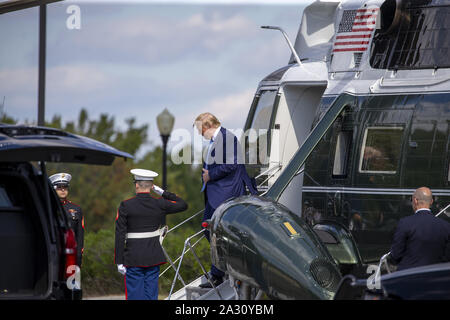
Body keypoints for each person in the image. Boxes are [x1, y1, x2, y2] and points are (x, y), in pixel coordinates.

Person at [194, 112, 258, 288]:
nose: (200, 134)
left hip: (225, 192)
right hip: (216, 193)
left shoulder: (227, 138)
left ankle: (219, 272)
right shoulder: (219, 139)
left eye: (200, 130)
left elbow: (233, 164)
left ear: (207, 126)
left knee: (215, 231)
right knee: (209, 230)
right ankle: (221, 269)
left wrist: (210, 176)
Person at [114, 168, 188, 300]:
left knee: (135, 296)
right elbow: (183, 204)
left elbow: (120, 234)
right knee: (151, 296)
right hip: (153, 256)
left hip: (133, 257)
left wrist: (119, 261)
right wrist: (162, 192)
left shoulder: (126, 205)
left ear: (136, 185)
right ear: (151, 186)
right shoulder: (159, 203)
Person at [389, 187, 450, 271]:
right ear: (431, 201)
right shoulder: (446, 226)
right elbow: (447, 257)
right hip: (434, 278)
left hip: (408, 277)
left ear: (415, 200)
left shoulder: (405, 223)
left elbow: (396, 255)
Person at [49, 172, 84, 268]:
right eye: (59, 187)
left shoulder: (76, 209)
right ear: (53, 188)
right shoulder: (48, 208)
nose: (63, 189)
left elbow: (80, 236)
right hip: (52, 256)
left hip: (72, 257)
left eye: (65, 186)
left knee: (72, 282)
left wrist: (78, 258)